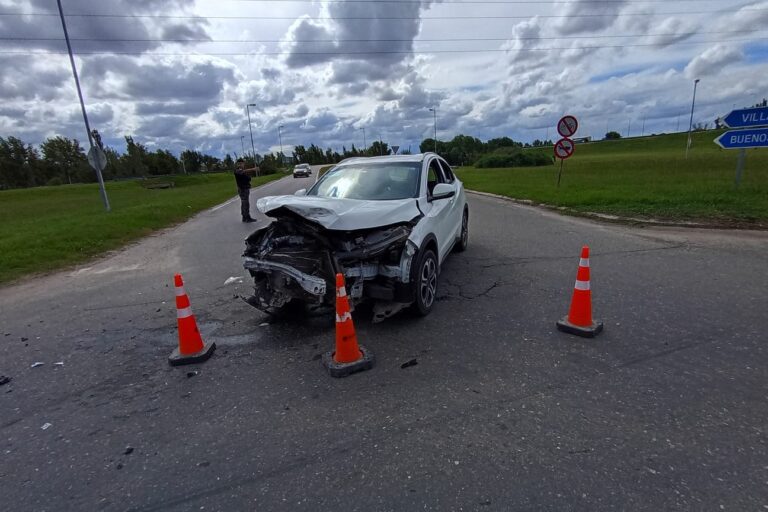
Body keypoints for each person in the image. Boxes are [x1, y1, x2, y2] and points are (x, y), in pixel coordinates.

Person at [234, 158, 259, 223]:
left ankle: (244, 217)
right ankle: (247, 218)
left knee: (244, 203)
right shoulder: (237, 170)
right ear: (239, 164)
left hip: (244, 189)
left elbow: (246, 178)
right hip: (243, 189)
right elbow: (242, 172)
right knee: (245, 204)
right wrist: (253, 169)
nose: (243, 164)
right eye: (242, 163)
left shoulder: (242, 170)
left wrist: (248, 178)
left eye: (243, 163)